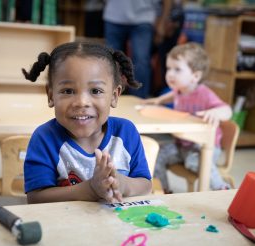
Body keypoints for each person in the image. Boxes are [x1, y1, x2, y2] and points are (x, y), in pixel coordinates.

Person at [21, 41, 152, 204]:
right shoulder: (45, 138)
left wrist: (122, 183)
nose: (82, 102)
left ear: (114, 95)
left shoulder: (126, 132)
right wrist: (90, 190)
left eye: (96, 91)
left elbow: (146, 185)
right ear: (50, 95)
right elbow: (36, 198)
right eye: (68, 91)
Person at [143, 42, 232, 192]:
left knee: (194, 161)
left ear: (195, 76)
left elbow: (227, 110)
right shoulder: (180, 89)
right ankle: (163, 190)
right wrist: (158, 100)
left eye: (177, 69)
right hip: (182, 144)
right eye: (169, 68)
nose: (170, 73)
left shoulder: (204, 93)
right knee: (157, 155)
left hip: (203, 146)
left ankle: (221, 187)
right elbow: (173, 96)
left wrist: (216, 112)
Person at [103, 0, 172, 98]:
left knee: (141, 61)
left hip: (144, 17)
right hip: (113, 16)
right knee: (111, 61)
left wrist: (162, 21)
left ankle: (139, 100)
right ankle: (109, 97)